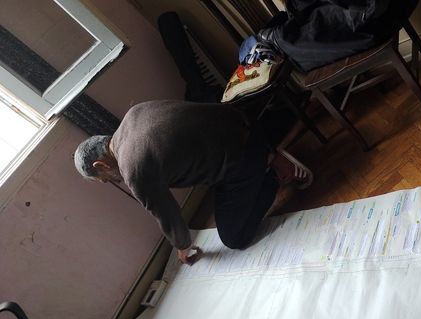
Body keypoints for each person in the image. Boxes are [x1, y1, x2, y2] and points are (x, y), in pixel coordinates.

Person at [73, 100, 312, 265]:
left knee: (234, 239)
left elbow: (167, 214)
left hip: (242, 157)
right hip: (246, 122)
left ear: (101, 165)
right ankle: (266, 155)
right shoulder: (134, 114)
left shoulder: (132, 169)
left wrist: (183, 247)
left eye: (105, 180)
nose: (111, 181)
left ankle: (273, 172)